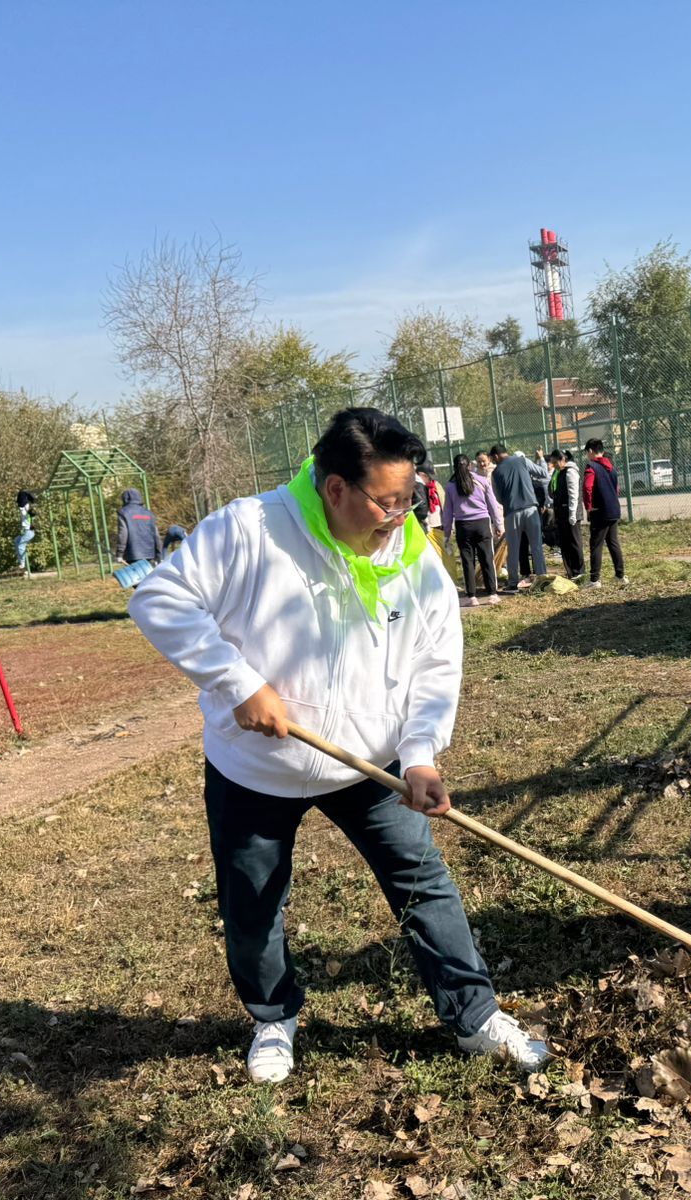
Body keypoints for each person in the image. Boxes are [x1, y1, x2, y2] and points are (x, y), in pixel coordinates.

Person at [129, 408, 550, 1083]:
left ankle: (474, 1016)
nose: (399, 513)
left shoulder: (410, 550)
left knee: (424, 885)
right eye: (386, 500)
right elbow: (160, 599)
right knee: (252, 899)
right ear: (334, 490)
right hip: (256, 769)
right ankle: (273, 1018)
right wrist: (238, 682)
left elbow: (436, 659)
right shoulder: (251, 529)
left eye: (408, 496)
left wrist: (418, 753)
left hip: (369, 763)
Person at [442, 453, 505, 607]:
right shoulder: (482, 481)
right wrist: (499, 524)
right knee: (487, 559)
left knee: (467, 562)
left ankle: (472, 597)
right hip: (482, 524)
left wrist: (447, 533)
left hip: (463, 526)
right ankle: (492, 594)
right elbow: (492, 505)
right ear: (470, 465)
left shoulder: (451, 486)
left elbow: (448, 511)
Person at [491, 444, 547, 592]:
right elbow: (542, 473)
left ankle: (513, 582)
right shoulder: (522, 460)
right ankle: (542, 578)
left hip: (512, 512)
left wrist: (510, 501)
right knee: (536, 546)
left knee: (513, 549)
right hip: (531, 508)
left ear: (496, 456)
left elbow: (498, 496)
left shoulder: (496, 472)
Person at [581, 439, 626, 587]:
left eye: (587, 453)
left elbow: (587, 488)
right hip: (613, 509)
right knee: (613, 542)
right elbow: (617, 488)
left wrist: (589, 507)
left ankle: (594, 580)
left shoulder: (591, 467)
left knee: (596, 544)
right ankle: (620, 576)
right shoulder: (611, 467)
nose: (587, 456)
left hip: (599, 511)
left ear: (590, 451)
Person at [548, 449, 584, 579]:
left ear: (563, 459)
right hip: (561, 513)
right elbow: (552, 492)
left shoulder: (570, 472)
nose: (554, 465)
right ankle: (570, 572)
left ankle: (579, 571)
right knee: (565, 543)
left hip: (570, 513)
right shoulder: (558, 472)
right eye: (552, 463)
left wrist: (572, 513)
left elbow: (573, 495)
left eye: (555, 462)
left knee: (574, 542)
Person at [115, 488, 163, 567]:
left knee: (136, 579)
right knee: (149, 578)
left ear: (125, 499)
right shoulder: (149, 513)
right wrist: (159, 555)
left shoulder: (123, 512)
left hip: (132, 554)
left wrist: (119, 554)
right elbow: (156, 535)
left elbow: (123, 534)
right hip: (150, 554)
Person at [14, 490, 37, 577]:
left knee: (20, 545)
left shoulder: (26, 506)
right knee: (16, 541)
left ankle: (22, 565)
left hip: (29, 532)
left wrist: (31, 513)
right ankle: (24, 566)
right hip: (26, 531)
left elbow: (31, 513)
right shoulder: (24, 507)